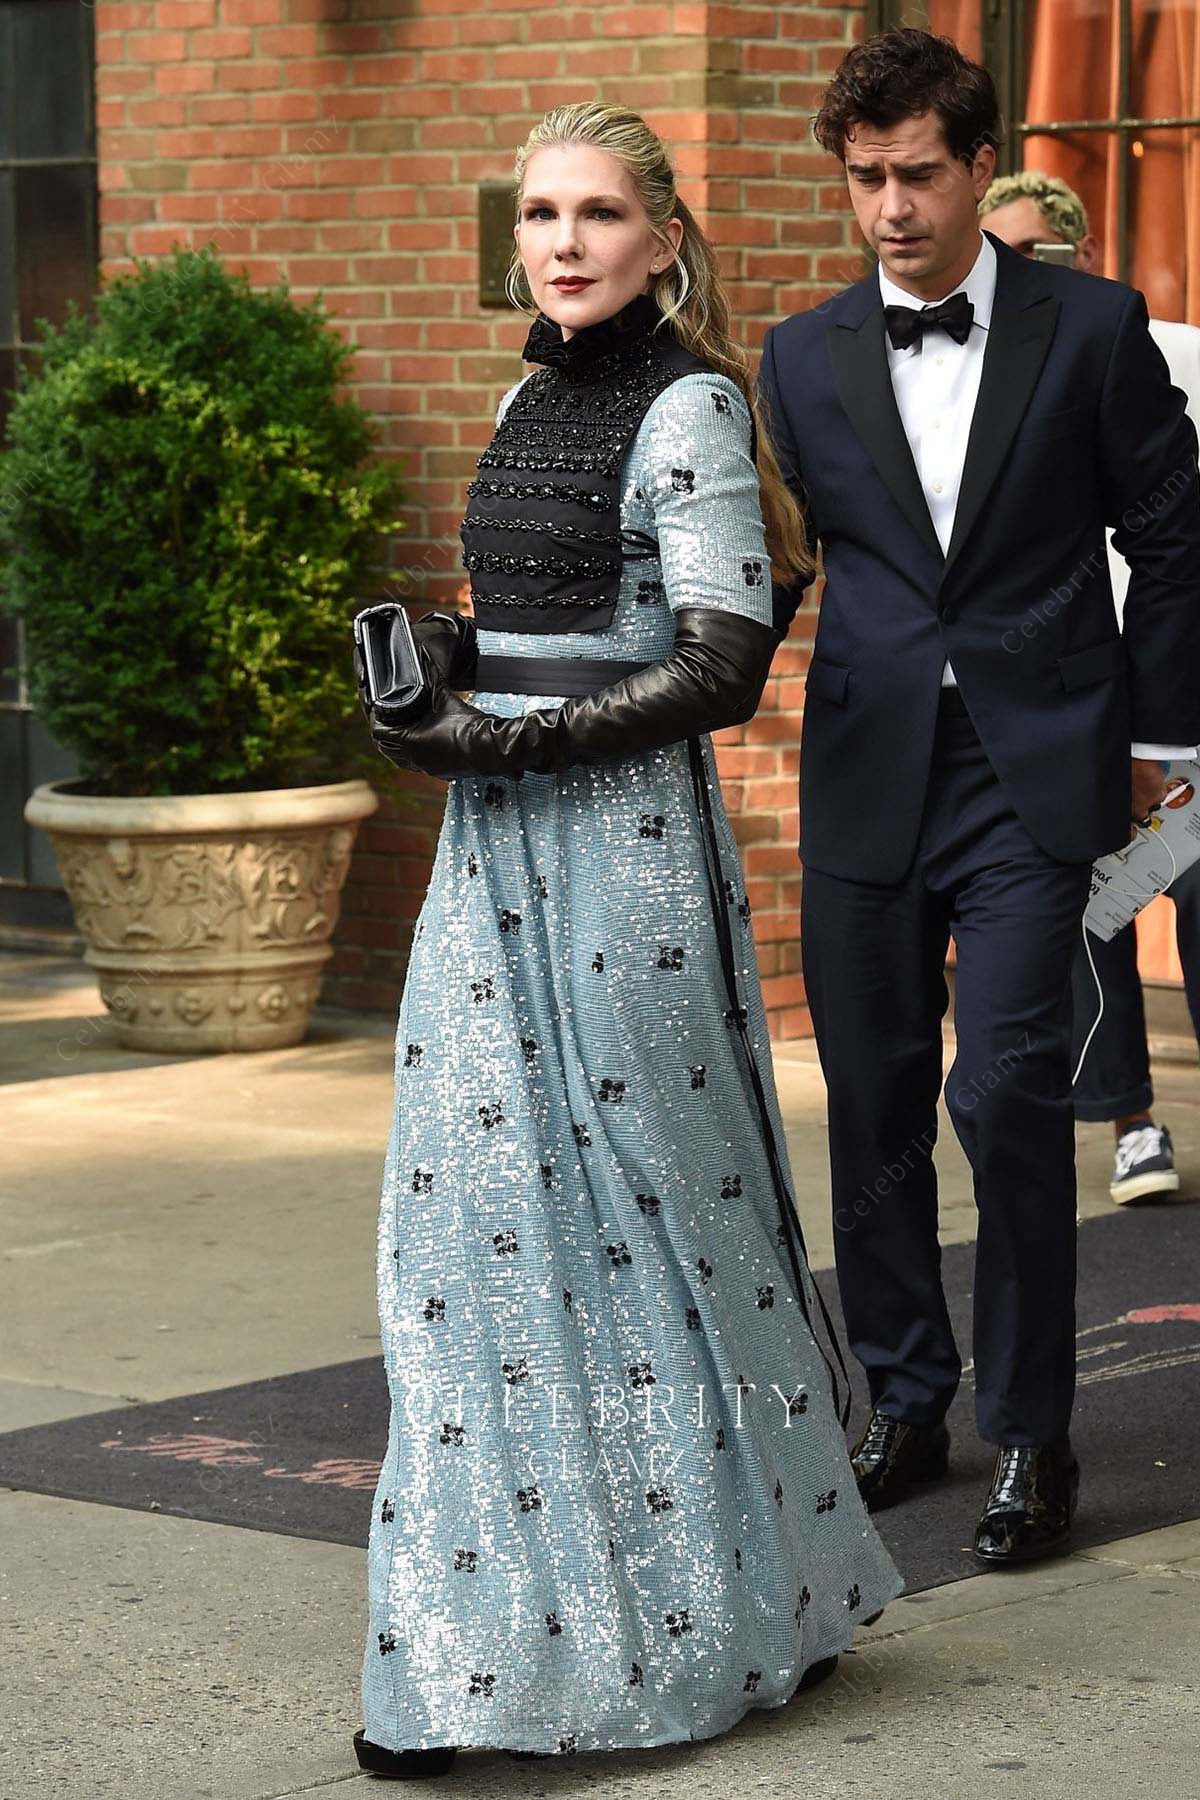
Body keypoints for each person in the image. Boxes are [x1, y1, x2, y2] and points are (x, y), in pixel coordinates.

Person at [350, 101, 902, 1780]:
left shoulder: (696, 404)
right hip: (490, 859)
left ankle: (721, 1607)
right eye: (539, 214)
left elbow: (724, 661)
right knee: (472, 1226)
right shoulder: (523, 398)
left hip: (629, 861)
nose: (566, 243)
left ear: (665, 238)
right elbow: (534, 621)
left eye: (599, 214)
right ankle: (471, 1650)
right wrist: (438, 660)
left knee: (658, 1210)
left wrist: (501, 741)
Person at [757, 27, 1200, 1566]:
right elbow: (785, 564)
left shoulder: (1091, 329)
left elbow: (1173, 529)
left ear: (975, 162)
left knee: (1006, 1091)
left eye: (918, 175)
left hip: (1039, 767)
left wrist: (1167, 737)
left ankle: (1032, 1431)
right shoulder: (800, 358)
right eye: (865, 179)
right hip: (869, 769)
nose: (890, 207)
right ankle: (904, 1395)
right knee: (871, 1097)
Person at [980, 169, 1200, 1204]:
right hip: (1068, 693)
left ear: (1086, 256)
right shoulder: (967, 383)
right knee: (1095, 906)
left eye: (1041, 255)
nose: (1018, 275)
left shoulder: (1178, 353)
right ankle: (1133, 1124)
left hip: (1180, 686)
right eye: (1001, 253)